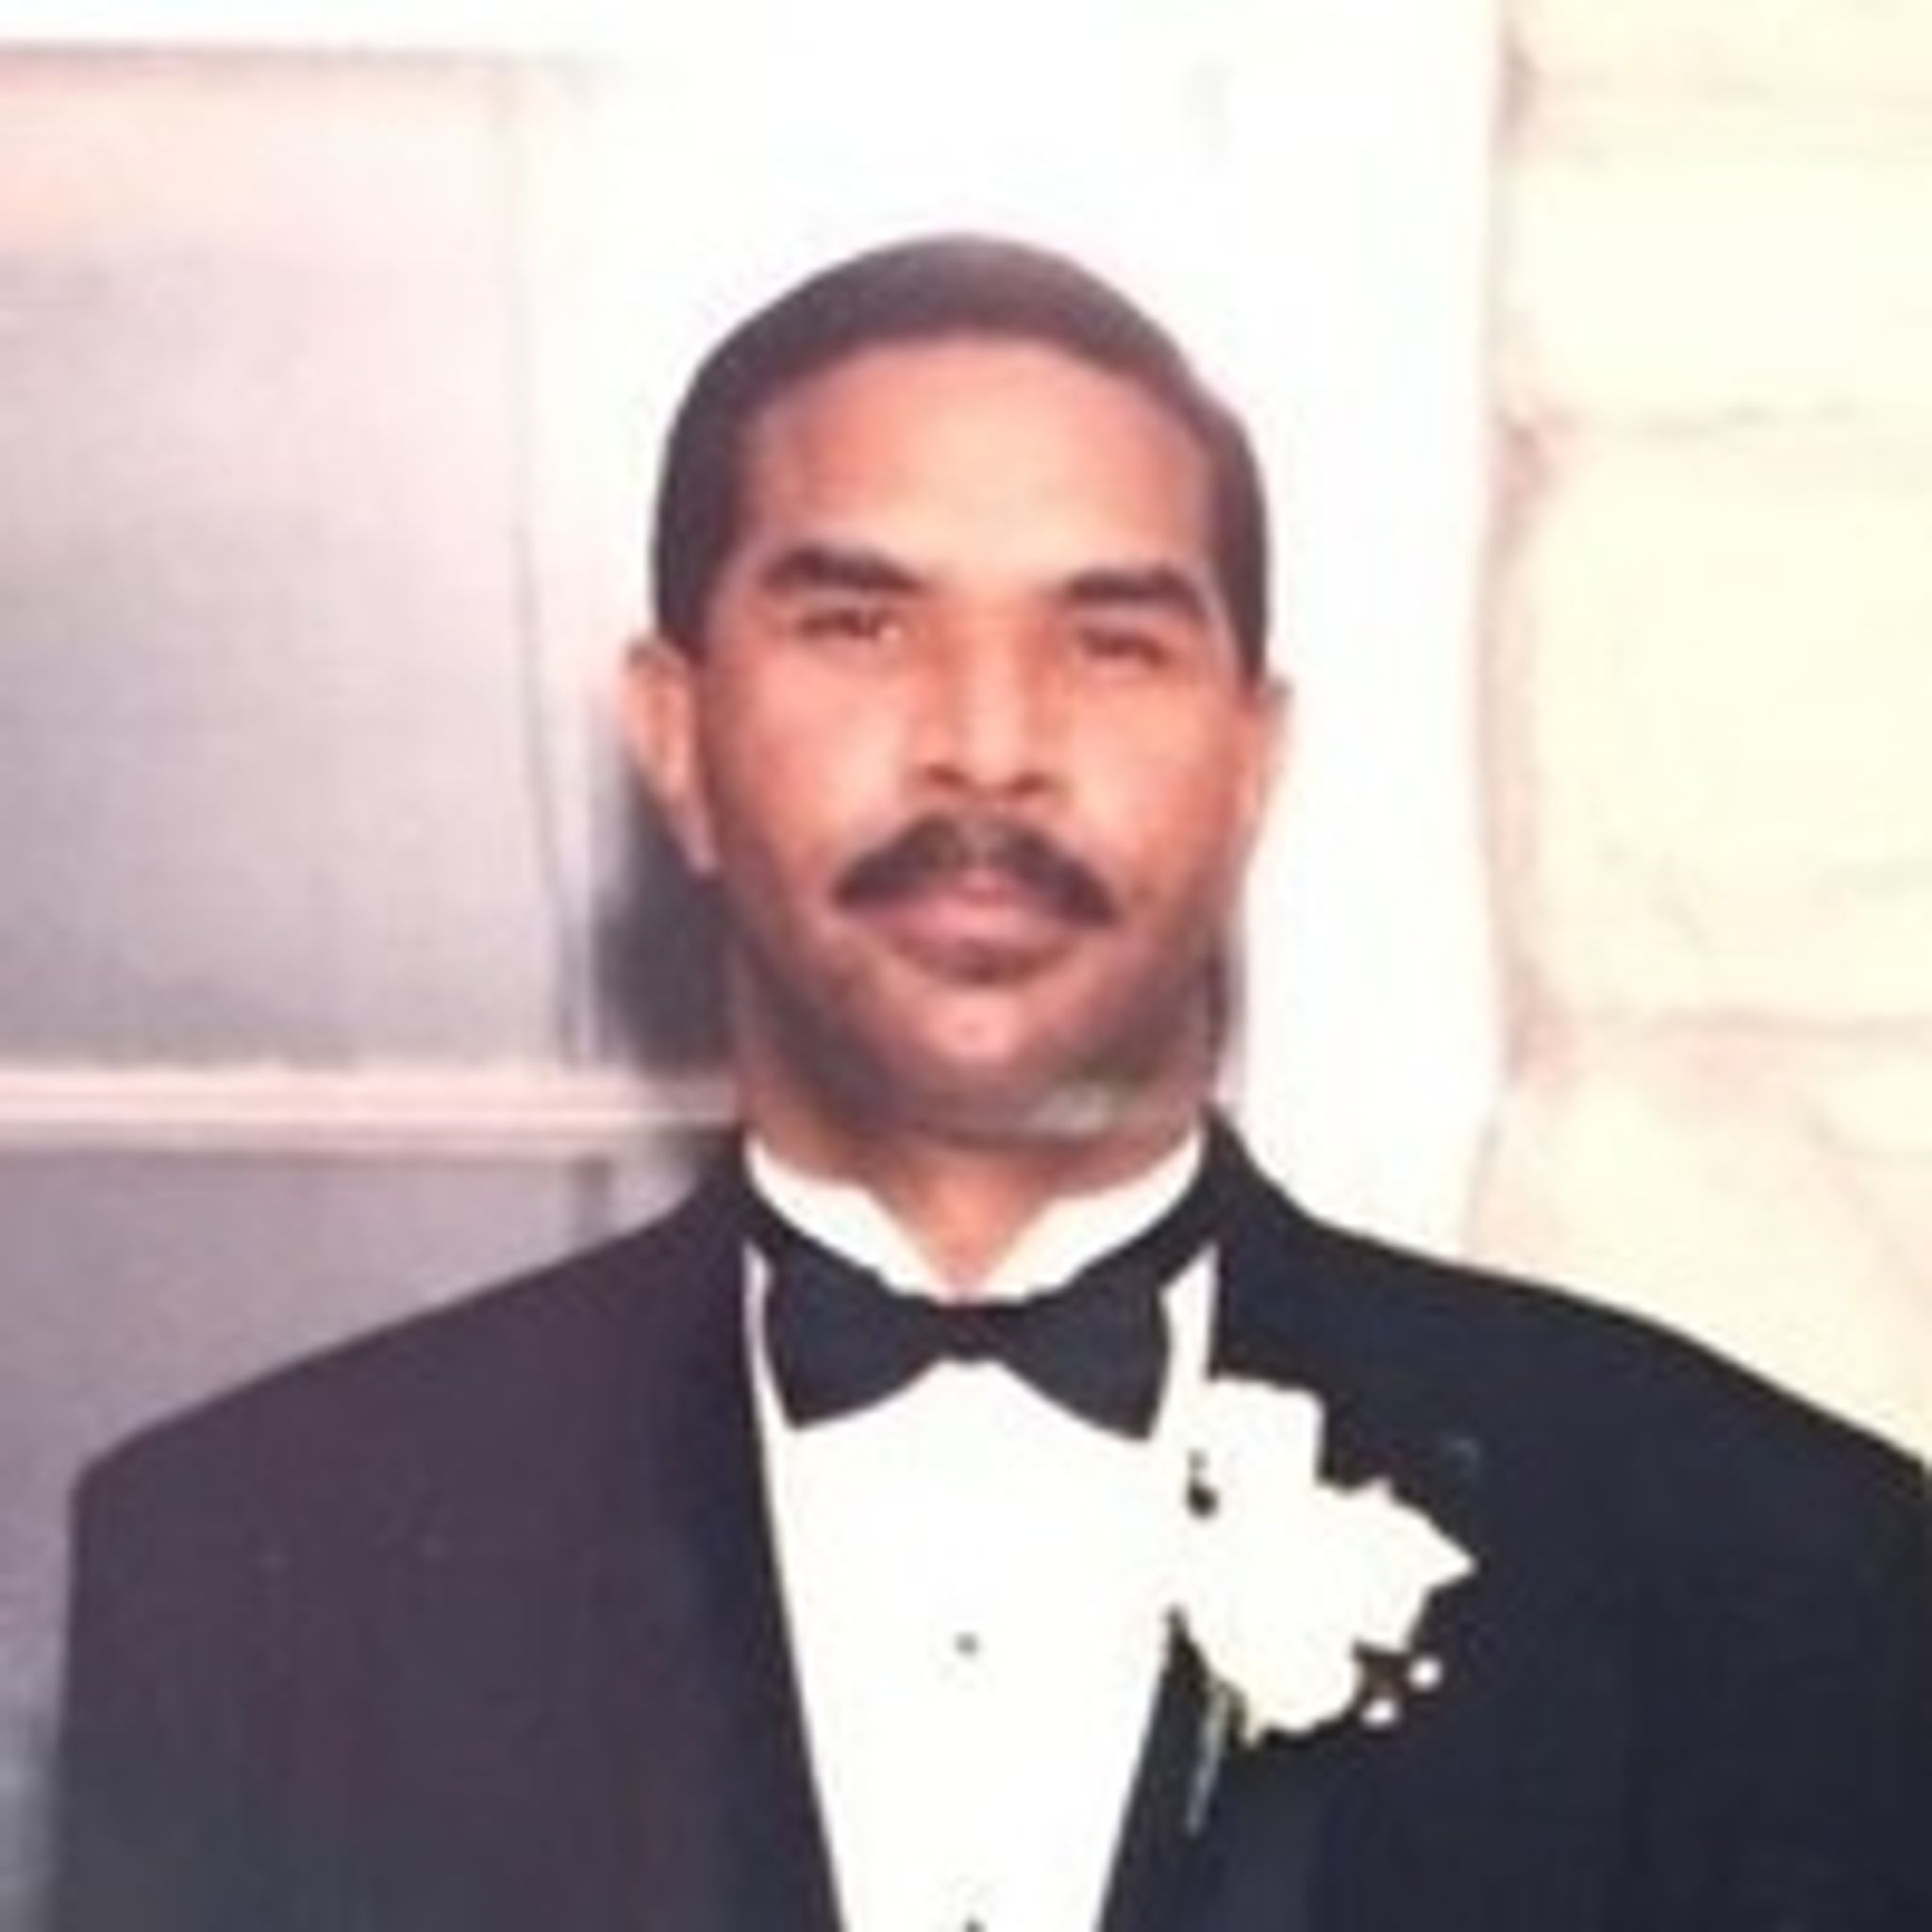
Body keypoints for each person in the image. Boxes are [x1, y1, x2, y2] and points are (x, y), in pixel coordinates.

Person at [52, 235, 1930, 1932]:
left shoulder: (1761, 1564)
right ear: (675, 735)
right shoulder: (261, 1565)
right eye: (860, 622)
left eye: (1109, 640)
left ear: (1253, 759)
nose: (987, 742)